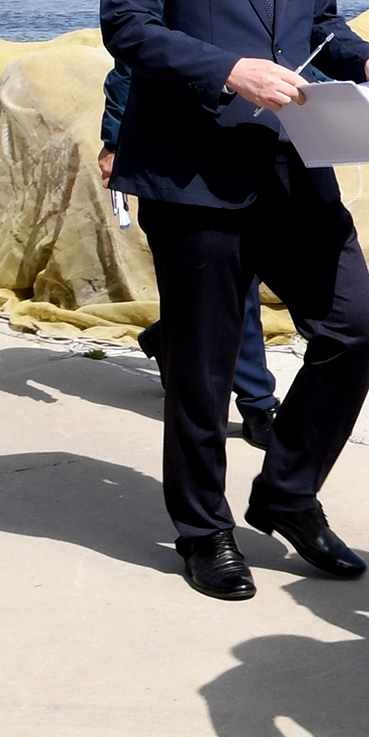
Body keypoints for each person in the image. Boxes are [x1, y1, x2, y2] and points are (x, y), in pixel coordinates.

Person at [101, 0, 369, 601]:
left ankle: (287, 492)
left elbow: (320, 21)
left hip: (292, 161)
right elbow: (127, 24)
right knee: (200, 369)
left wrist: (367, 57)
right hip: (195, 168)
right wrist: (228, 70)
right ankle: (204, 530)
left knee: (353, 330)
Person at [99, 55, 282, 451]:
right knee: (232, 283)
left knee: (223, 285)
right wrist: (114, 143)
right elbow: (131, 65)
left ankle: (167, 336)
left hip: (257, 146)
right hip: (179, 160)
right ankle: (258, 404)